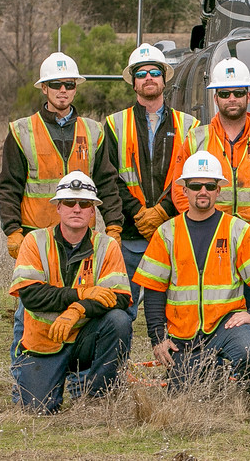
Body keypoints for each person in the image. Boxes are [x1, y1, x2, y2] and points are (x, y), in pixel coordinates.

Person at [0, 52, 124, 399]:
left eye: (69, 84)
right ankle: (23, 381)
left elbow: (108, 182)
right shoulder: (22, 131)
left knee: (90, 309)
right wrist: (12, 230)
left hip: (84, 239)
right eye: (56, 85)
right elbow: (9, 185)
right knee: (30, 314)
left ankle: (85, 386)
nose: (63, 90)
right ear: (45, 89)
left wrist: (113, 225)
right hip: (37, 239)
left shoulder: (94, 132)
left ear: (76, 88)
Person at [172, 57, 250, 353]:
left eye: (238, 92)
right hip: (211, 241)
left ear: (248, 96)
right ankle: (210, 370)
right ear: (215, 97)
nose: (231, 99)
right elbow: (179, 191)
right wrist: (201, 227)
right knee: (211, 308)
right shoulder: (196, 139)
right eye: (225, 93)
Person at [132, 152, 250, 392]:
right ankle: (211, 370)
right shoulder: (166, 233)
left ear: (218, 190)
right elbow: (154, 290)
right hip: (183, 334)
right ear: (184, 190)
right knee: (184, 395)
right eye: (195, 185)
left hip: (227, 327)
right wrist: (158, 338)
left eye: (210, 185)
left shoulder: (236, 230)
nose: (203, 191)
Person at [9, 172, 132, 415]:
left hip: (84, 339)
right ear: (58, 207)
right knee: (38, 410)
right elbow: (30, 295)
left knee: (119, 321)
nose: (77, 209)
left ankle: (96, 396)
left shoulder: (107, 246)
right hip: (44, 342)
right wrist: (81, 294)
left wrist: (77, 311)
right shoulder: (34, 241)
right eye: (70, 203)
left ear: (93, 211)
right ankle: (37, 380)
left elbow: (118, 298)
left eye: (84, 204)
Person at [104, 43, 198, 318]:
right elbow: (108, 179)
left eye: (154, 72)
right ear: (133, 82)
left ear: (164, 79)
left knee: (179, 309)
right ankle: (116, 360)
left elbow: (191, 177)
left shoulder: (189, 125)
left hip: (176, 231)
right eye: (141, 73)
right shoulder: (114, 125)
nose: (148, 78)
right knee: (121, 310)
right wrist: (139, 214)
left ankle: (181, 362)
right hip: (131, 235)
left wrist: (163, 211)